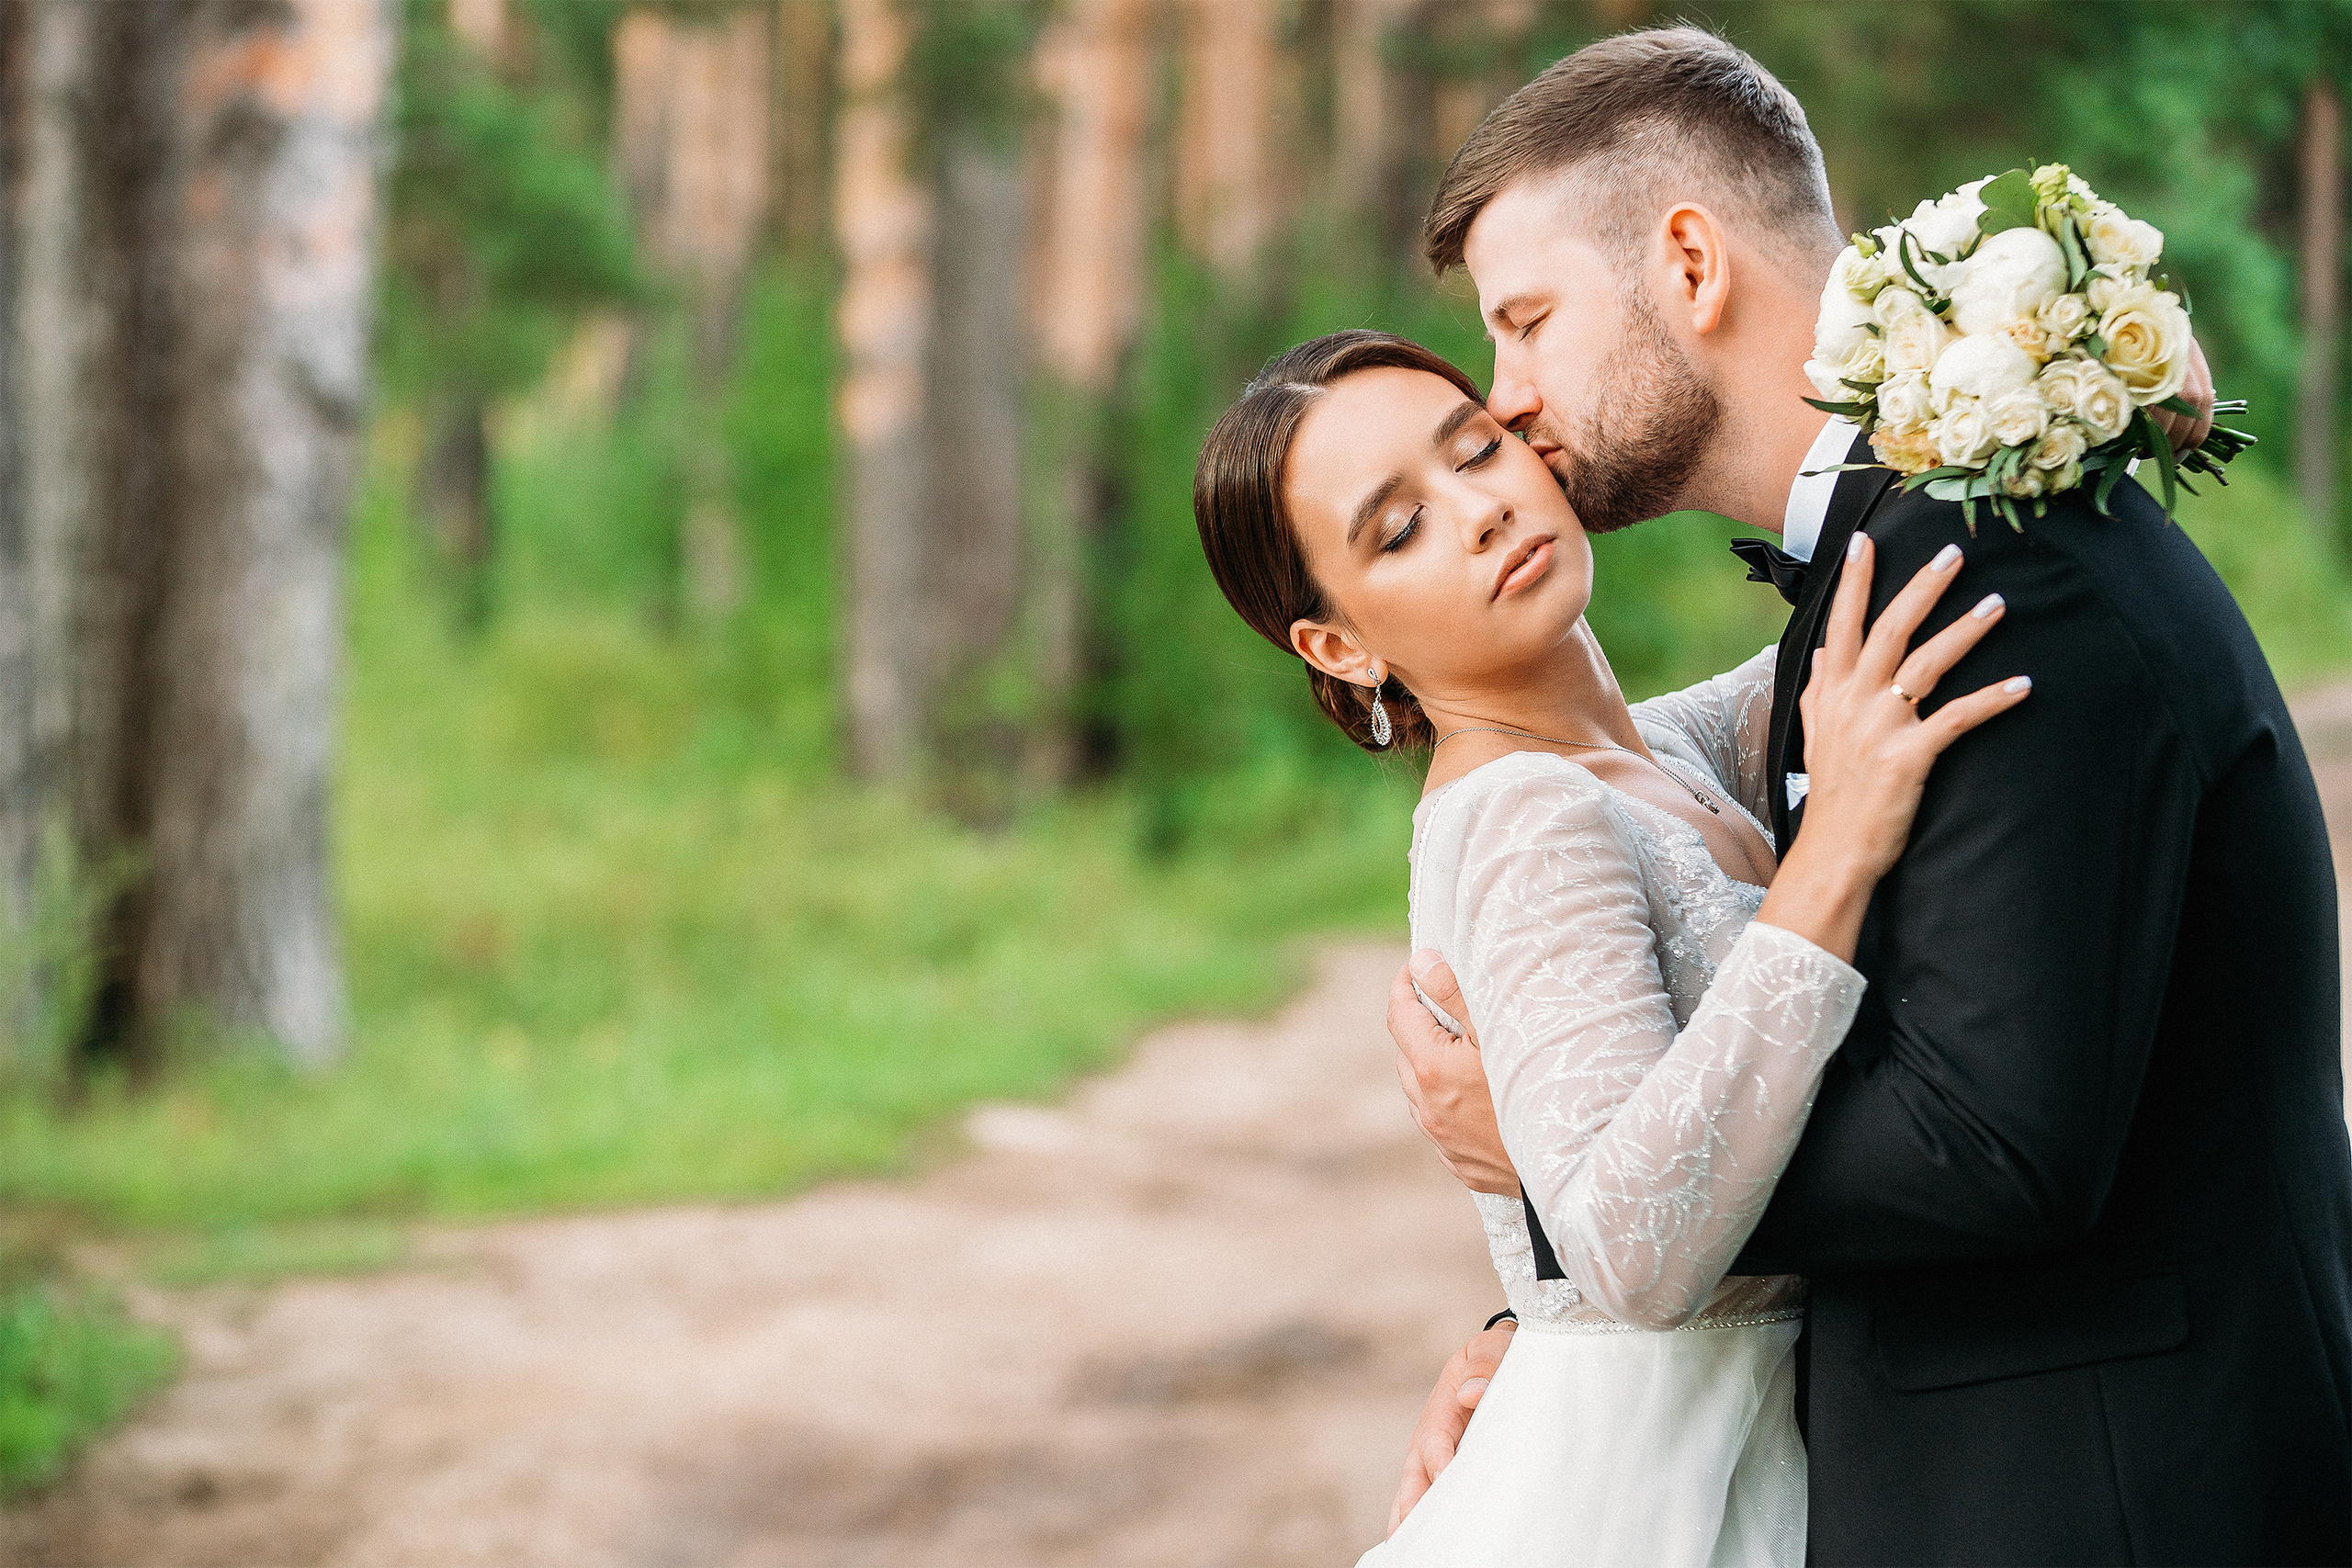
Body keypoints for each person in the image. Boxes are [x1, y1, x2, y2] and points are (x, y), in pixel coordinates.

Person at [1382, 27, 2352, 1566]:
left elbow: (1989, 1142)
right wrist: (1554, 1321)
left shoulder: (1989, 580)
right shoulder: (1884, 583)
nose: (1509, 405)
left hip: (2105, 1500)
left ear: (1690, 263)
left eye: (1528, 322)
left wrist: (1585, 1199)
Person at [1193, 326, 2031, 1565]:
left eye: (1474, 451)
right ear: (1340, 647)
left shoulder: (1660, 755)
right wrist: (1836, 851)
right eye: (1398, 528)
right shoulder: (1525, 816)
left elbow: (1896, 594)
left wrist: (2061, 388)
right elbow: (1635, 1252)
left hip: (1770, 1426)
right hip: (1655, 1485)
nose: (1477, 512)